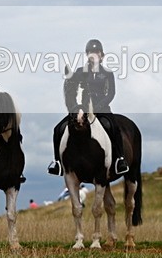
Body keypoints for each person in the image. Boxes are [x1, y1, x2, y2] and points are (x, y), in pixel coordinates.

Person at [48, 39, 128, 176]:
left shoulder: (107, 73)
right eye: (91, 52)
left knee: (113, 127)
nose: (94, 55)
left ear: (102, 55)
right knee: (58, 129)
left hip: (102, 109)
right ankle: (57, 163)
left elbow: (111, 93)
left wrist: (98, 106)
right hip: (82, 109)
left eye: (96, 52)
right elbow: (73, 87)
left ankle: (120, 159)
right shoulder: (80, 72)